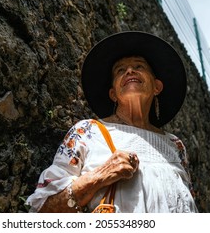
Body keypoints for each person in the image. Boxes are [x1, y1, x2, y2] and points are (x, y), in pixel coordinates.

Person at [25, 31, 198, 213]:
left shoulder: (176, 146)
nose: (130, 71)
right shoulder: (87, 132)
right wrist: (99, 176)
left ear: (157, 87)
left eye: (139, 66)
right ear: (113, 93)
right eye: (120, 70)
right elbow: (43, 209)